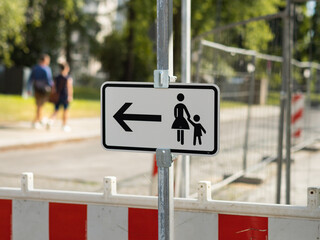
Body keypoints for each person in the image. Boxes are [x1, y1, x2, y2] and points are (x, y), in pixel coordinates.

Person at [27, 54, 53, 129]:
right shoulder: (46, 69)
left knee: (39, 105)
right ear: (45, 60)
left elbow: (30, 79)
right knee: (40, 106)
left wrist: (29, 89)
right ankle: (38, 120)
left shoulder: (35, 68)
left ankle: (37, 120)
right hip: (44, 90)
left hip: (36, 89)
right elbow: (49, 80)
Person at [47, 62, 73, 132]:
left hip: (57, 96)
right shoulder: (68, 78)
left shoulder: (57, 77)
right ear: (67, 68)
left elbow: (53, 87)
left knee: (56, 110)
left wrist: (53, 94)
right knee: (65, 111)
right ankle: (64, 125)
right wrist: (70, 96)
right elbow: (69, 87)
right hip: (65, 96)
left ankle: (50, 121)